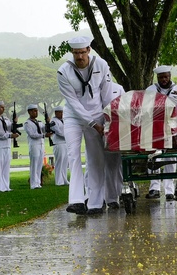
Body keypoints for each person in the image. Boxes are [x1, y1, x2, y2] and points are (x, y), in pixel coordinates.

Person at [56, 36, 114, 215]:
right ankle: (76, 200)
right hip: (74, 117)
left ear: (89, 50)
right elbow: (73, 102)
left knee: (95, 159)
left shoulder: (101, 65)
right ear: (72, 53)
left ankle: (96, 202)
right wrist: (91, 123)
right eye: (75, 53)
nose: (79, 56)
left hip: (97, 114)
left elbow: (106, 94)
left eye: (82, 52)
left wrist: (109, 119)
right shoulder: (63, 71)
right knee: (73, 155)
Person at [144, 64, 177, 201]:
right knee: (154, 157)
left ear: (170, 76)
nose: (163, 80)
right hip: (154, 128)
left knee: (171, 159)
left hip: (173, 129)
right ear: (157, 77)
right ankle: (154, 188)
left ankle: (170, 190)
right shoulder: (150, 90)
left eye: (166, 77)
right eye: (161, 77)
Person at [104, 82, 125, 208]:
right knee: (94, 165)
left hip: (113, 130)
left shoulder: (118, 88)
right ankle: (96, 197)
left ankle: (117, 195)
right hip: (95, 127)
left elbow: (124, 107)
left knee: (115, 165)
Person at [0, 100, 18, 192]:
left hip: (7, 145)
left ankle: (6, 186)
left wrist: (15, 123)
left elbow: (9, 128)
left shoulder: (5, 119)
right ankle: (0, 187)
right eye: (1, 107)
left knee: (6, 167)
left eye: (3, 107)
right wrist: (9, 135)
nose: (3, 109)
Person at [25, 104, 46, 189]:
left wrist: (48, 123)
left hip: (41, 144)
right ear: (29, 112)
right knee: (34, 164)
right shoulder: (27, 123)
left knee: (39, 164)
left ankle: (38, 182)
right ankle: (33, 184)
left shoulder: (39, 122)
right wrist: (43, 135)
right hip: (34, 145)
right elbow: (32, 134)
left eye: (36, 111)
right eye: (34, 111)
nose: (36, 112)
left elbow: (45, 129)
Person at [50, 105, 68, 186]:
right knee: (59, 162)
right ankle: (58, 181)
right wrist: (68, 136)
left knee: (65, 162)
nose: (62, 114)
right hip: (58, 143)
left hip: (65, 143)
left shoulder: (64, 120)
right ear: (56, 113)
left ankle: (64, 179)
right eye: (60, 112)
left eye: (62, 112)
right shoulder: (53, 121)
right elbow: (58, 132)